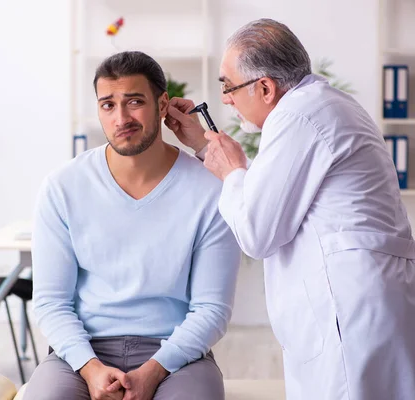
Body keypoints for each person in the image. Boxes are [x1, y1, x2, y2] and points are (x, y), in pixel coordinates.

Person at [166, 17, 415, 400]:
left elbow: (257, 232)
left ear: (265, 87)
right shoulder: (322, 106)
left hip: (349, 308)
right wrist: (205, 146)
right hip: (368, 300)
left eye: (229, 87)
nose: (226, 100)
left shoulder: (297, 117)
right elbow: (275, 199)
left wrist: (231, 172)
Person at [24, 51, 241, 400]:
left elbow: (211, 309)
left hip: (176, 357)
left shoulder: (209, 189)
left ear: (163, 104)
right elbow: (51, 302)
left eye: (134, 101)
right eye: (107, 105)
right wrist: (90, 368)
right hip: (82, 353)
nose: (121, 117)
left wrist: (154, 371)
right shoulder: (63, 186)